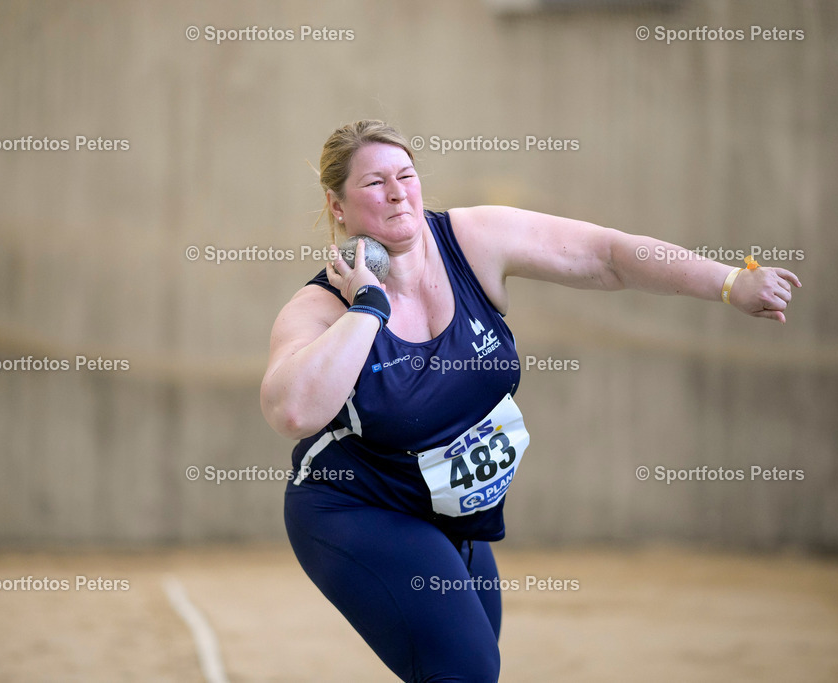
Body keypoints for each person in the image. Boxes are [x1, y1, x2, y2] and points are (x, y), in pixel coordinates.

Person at [260, 119, 800, 682]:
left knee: (473, 668)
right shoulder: (321, 308)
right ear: (338, 205)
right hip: (356, 510)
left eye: (407, 175)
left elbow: (608, 255)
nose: (398, 192)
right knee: (465, 670)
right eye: (375, 183)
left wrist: (728, 282)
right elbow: (292, 411)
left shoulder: (472, 240)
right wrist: (368, 306)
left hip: (456, 516)